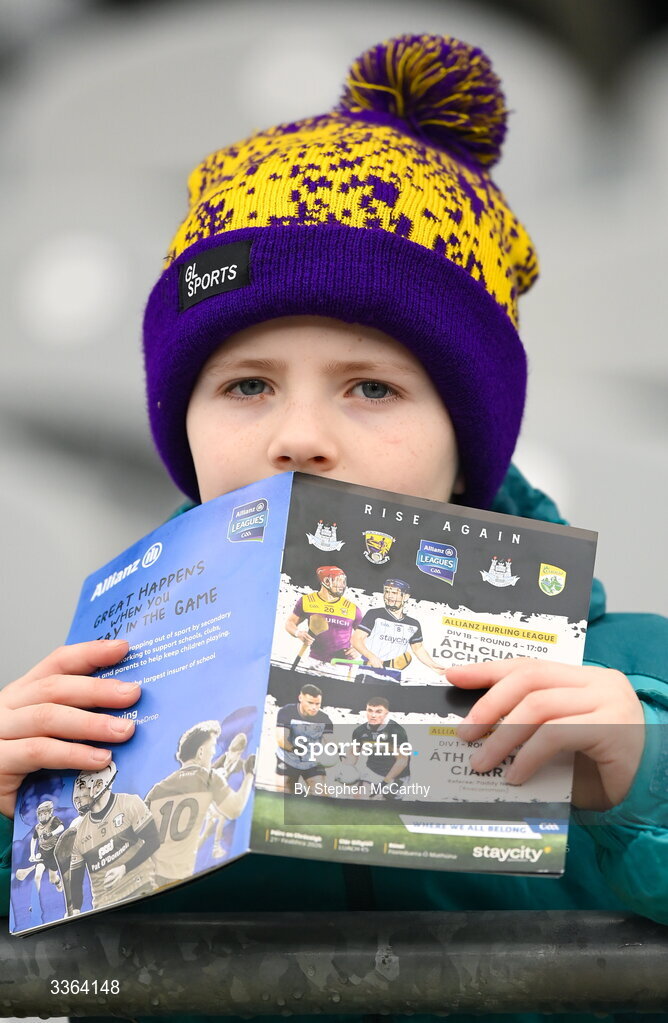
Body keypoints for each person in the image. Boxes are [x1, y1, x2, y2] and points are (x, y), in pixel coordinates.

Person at [1, 30, 667, 1023]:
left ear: (467, 436)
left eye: (370, 386)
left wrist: (638, 774)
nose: (298, 438)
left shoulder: (626, 677)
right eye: (245, 385)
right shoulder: (94, 704)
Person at [146, 721, 255, 884]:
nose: (213, 752)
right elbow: (235, 809)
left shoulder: (157, 789)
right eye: (213, 746)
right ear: (201, 752)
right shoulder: (209, 778)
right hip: (178, 879)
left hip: (149, 878)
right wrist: (249, 775)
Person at [67, 761, 159, 914]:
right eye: (79, 787)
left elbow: (153, 840)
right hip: (105, 904)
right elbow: (76, 879)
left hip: (142, 887)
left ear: (99, 785)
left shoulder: (129, 804)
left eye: (83, 788)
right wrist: (75, 909)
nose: (79, 795)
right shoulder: (77, 829)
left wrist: (124, 868)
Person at [352, 578, 446, 684]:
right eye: (387, 591)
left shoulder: (414, 624)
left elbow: (418, 649)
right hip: (369, 673)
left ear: (405, 596)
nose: (389, 596)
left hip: (394, 676)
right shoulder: (374, 614)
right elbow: (356, 639)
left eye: (394, 593)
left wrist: (433, 665)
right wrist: (371, 656)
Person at [285, 566, 362, 665]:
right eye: (338, 581)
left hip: (341, 664)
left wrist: (358, 649)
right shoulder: (307, 601)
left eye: (344, 581)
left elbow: (364, 635)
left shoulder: (352, 608)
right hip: (314, 661)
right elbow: (290, 622)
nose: (342, 585)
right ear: (326, 581)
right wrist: (298, 633)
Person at [342, 698, 411, 798]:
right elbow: (353, 753)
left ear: (386, 713)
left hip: (397, 775)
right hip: (373, 771)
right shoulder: (360, 731)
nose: (373, 715)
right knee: (360, 796)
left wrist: (384, 783)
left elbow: (402, 761)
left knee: (385, 804)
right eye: (370, 710)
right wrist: (345, 768)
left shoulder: (396, 731)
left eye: (378, 711)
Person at [275, 683, 334, 794]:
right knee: (283, 790)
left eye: (317, 704)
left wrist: (336, 750)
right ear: (300, 698)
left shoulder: (324, 718)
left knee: (321, 793)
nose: (314, 707)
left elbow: (330, 739)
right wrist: (295, 749)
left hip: (312, 761)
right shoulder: (286, 712)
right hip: (288, 758)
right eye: (310, 703)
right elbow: (281, 738)